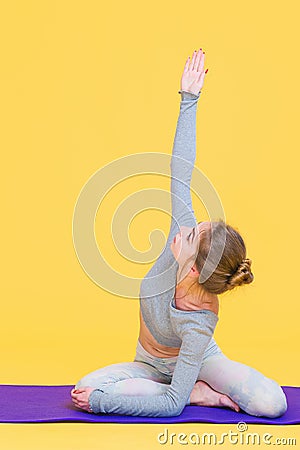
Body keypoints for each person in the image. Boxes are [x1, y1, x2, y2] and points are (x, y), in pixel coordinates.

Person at [71, 48, 287, 418]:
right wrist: (190, 98)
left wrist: (104, 404)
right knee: (85, 387)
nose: (182, 230)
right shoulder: (182, 232)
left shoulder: (200, 318)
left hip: (198, 364)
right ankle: (194, 392)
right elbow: (181, 169)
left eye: (189, 237)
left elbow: (170, 408)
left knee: (272, 403)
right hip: (148, 367)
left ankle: (199, 391)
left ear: (192, 270)